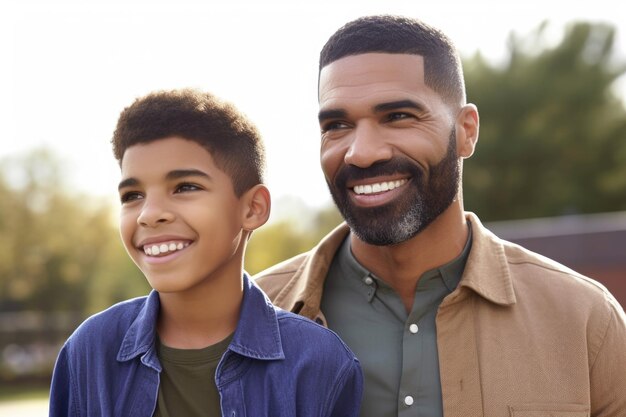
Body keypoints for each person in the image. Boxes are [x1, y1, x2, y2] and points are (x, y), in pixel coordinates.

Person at [255, 15, 626, 417]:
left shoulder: (585, 321)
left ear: (466, 131)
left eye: (398, 116)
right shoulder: (247, 320)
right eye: (337, 125)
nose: (361, 152)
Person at [49, 88, 363, 417]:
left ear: (253, 208)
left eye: (185, 187)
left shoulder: (320, 363)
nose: (149, 213)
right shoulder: (89, 352)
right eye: (132, 195)